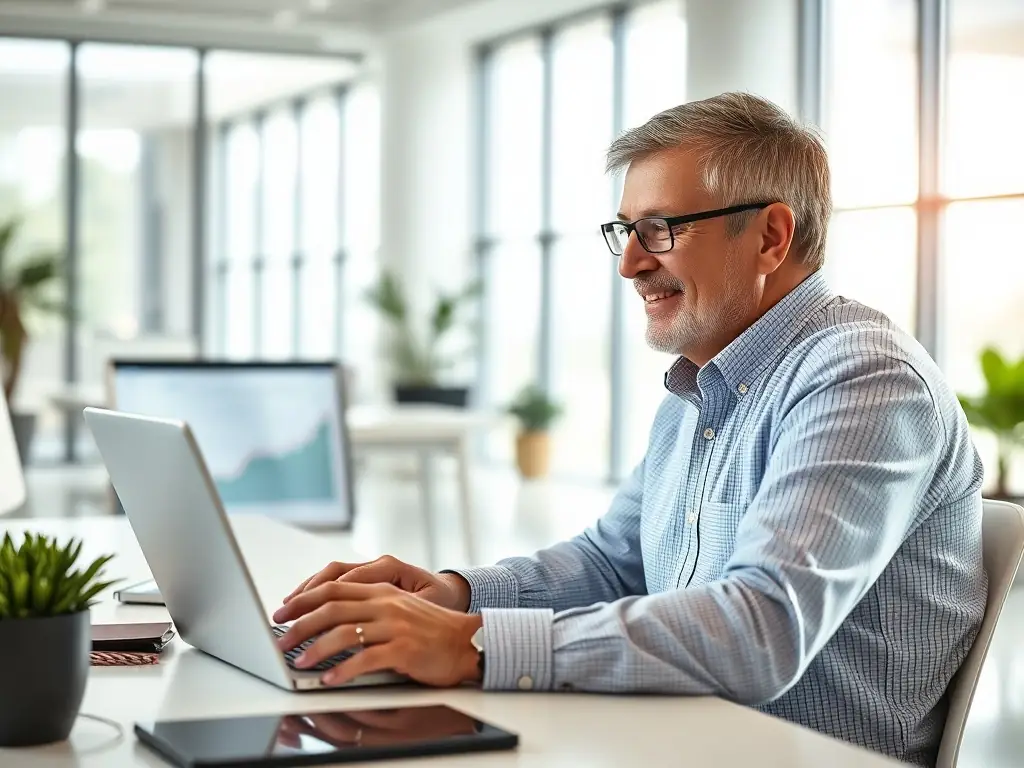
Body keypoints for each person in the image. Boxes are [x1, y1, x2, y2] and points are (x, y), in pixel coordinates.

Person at [273, 92, 986, 767]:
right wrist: (455, 596)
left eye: (661, 230)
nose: (631, 263)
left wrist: (473, 644)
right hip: (679, 740)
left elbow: (761, 631)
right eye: (625, 231)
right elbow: (615, 565)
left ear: (770, 236)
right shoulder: (699, 386)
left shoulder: (865, 379)